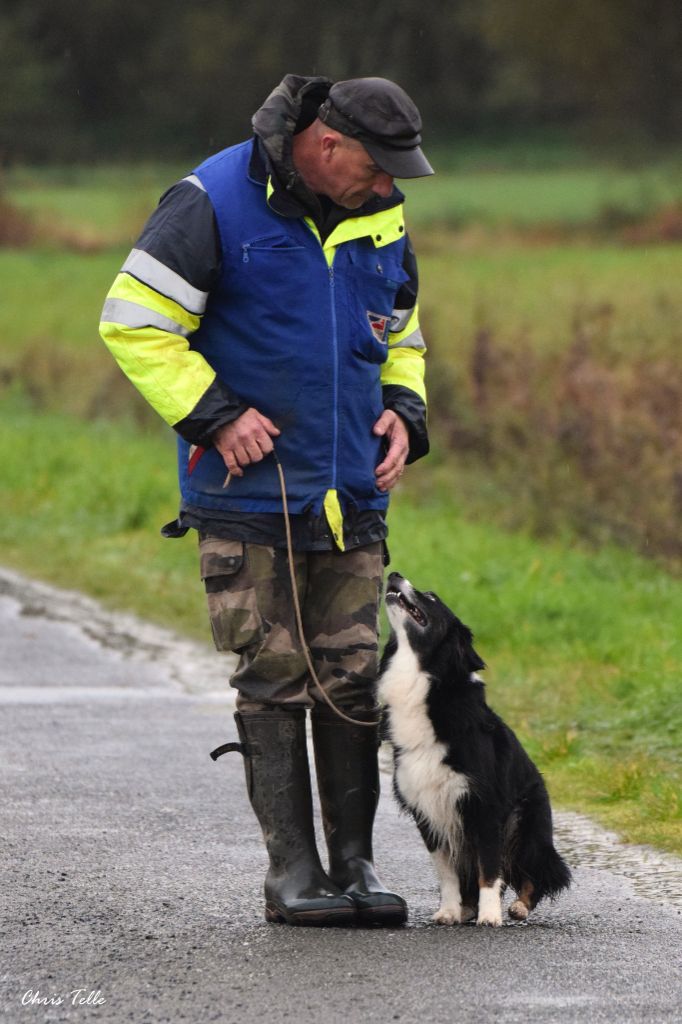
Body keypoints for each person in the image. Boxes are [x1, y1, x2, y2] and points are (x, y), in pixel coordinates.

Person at [100, 74, 432, 928]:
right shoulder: (211, 200)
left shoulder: (381, 216)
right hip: (246, 494)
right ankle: (292, 872)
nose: (392, 186)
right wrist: (212, 414)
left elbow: (399, 328)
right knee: (278, 675)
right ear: (327, 147)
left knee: (356, 675)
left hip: (351, 493)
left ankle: (355, 867)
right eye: (380, 167)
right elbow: (133, 320)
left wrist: (403, 410)